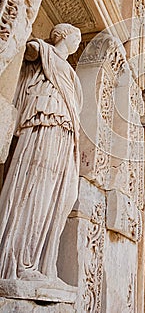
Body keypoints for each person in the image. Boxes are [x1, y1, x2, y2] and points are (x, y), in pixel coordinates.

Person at [0, 23, 82, 282]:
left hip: (63, 133)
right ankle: (19, 261)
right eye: (76, 38)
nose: (78, 44)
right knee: (34, 189)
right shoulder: (43, 51)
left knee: (59, 195)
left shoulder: (68, 71)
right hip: (42, 126)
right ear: (64, 36)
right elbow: (28, 50)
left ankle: (41, 263)